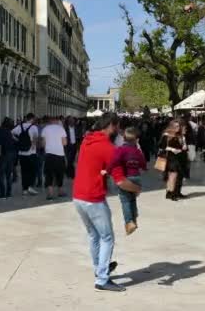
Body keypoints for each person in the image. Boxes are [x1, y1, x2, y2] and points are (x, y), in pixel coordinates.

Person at [72, 113, 141, 293]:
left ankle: (99, 268)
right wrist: (135, 188)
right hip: (93, 198)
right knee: (107, 237)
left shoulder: (87, 140)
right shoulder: (109, 149)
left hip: (78, 196)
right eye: (117, 127)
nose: (119, 131)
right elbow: (120, 181)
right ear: (111, 125)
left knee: (94, 236)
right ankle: (102, 279)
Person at [106, 127, 146, 235]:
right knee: (133, 199)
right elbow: (143, 162)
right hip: (137, 177)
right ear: (136, 139)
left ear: (124, 138)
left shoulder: (121, 150)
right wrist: (144, 168)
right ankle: (134, 218)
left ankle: (129, 222)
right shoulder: (137, 151)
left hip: (127, 177)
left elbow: (114, 161)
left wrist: (107, 171)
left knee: (125, 201)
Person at [159, 120, 187, 201]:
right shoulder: (166, 135)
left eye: (178, 126)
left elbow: (181, 145)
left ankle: (170, 193)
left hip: (178, 158)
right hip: (170, 158)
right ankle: (172, 194)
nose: (178, 128)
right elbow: (162, 146)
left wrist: (183, 145)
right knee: (172, 176)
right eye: (176, 126)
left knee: (174, 176)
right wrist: (172, 149)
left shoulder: (179, 135)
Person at [12, 113, 39, 195]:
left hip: (21, 153)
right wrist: (33, 146)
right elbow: (35, 138)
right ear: (32, 119)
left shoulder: (19, 126)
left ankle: (24, 189)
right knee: (32, 170)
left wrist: (17, 140)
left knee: (24, 171)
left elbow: (11, 133)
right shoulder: (34, 127)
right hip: (31, 152)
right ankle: (30, 187)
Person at [41, 116, 67, 200]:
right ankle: (60, 191)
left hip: (49, 154)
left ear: (50, 121)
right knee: (60, 173)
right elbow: (64, 143)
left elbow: (43, 143)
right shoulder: (61, 129)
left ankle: (50, 193)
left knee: (49, 174)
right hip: (60, 154)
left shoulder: (45, 129)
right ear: (57, 121)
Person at [0, 118, 17, 199]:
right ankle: (8, 193)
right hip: (12, 153)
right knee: (8, 174)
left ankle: (2, 194)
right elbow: (14, 140)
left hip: (5, 154)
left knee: (0, 174)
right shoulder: (8, 130)